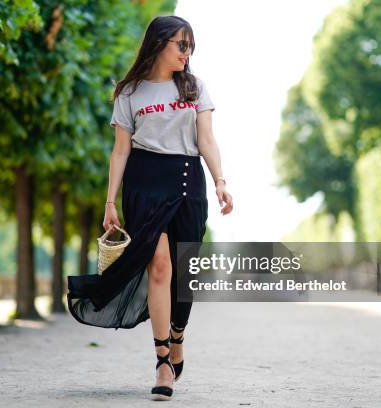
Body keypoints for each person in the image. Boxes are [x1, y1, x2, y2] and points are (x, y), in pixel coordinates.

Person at [67, 15, 233, 401]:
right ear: (159, 43)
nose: (186, 52)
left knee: (183, 274)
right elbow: (121, 150)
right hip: (144, 183)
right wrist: (110, 201)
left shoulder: (195, 87)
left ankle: (178, 336)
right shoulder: (129, 93)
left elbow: (206, 140)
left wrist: (221, 181)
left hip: (188, 180)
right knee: (159, 264)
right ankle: (162, 361)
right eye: (181, 44)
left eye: (190, 46)